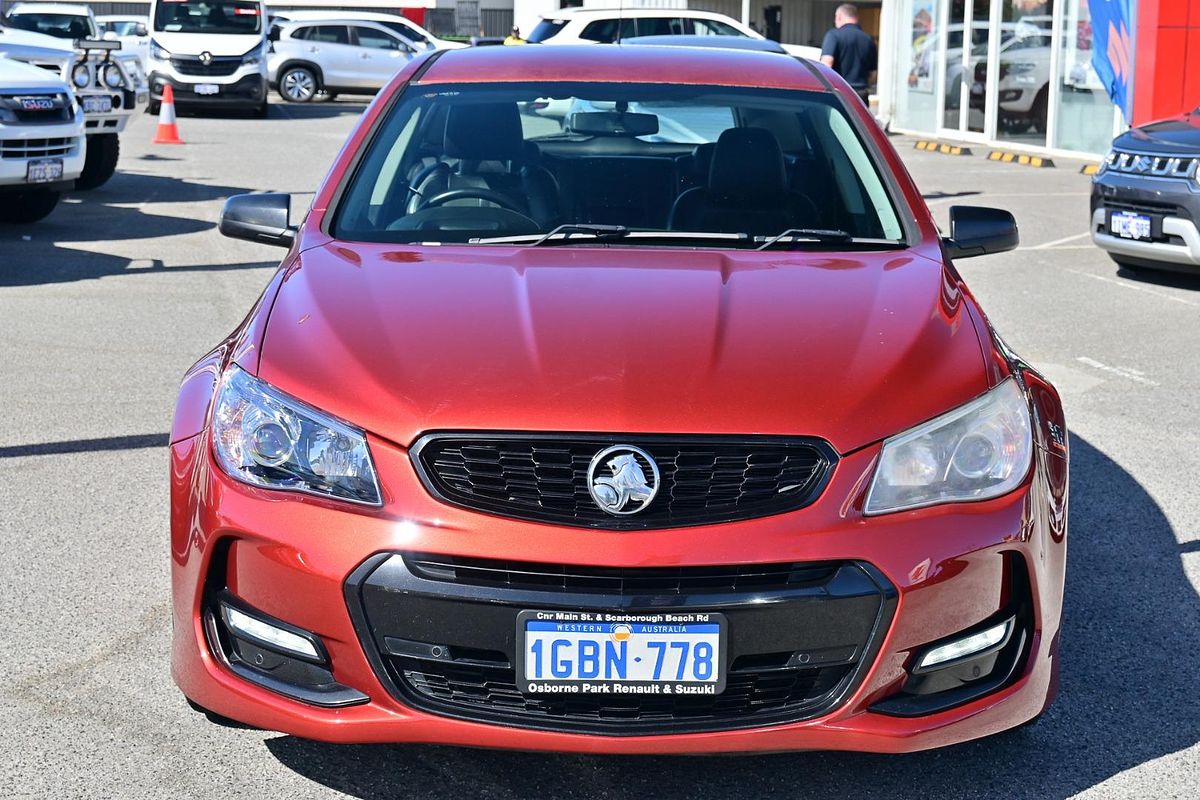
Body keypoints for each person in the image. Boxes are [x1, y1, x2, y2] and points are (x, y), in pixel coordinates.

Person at [820, 4, 877, 105]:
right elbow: (872, 74)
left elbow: (827, 64)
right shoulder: (868, 39)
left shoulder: (833, 35)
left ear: (839, 16)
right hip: (861, 94)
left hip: (840, 93)